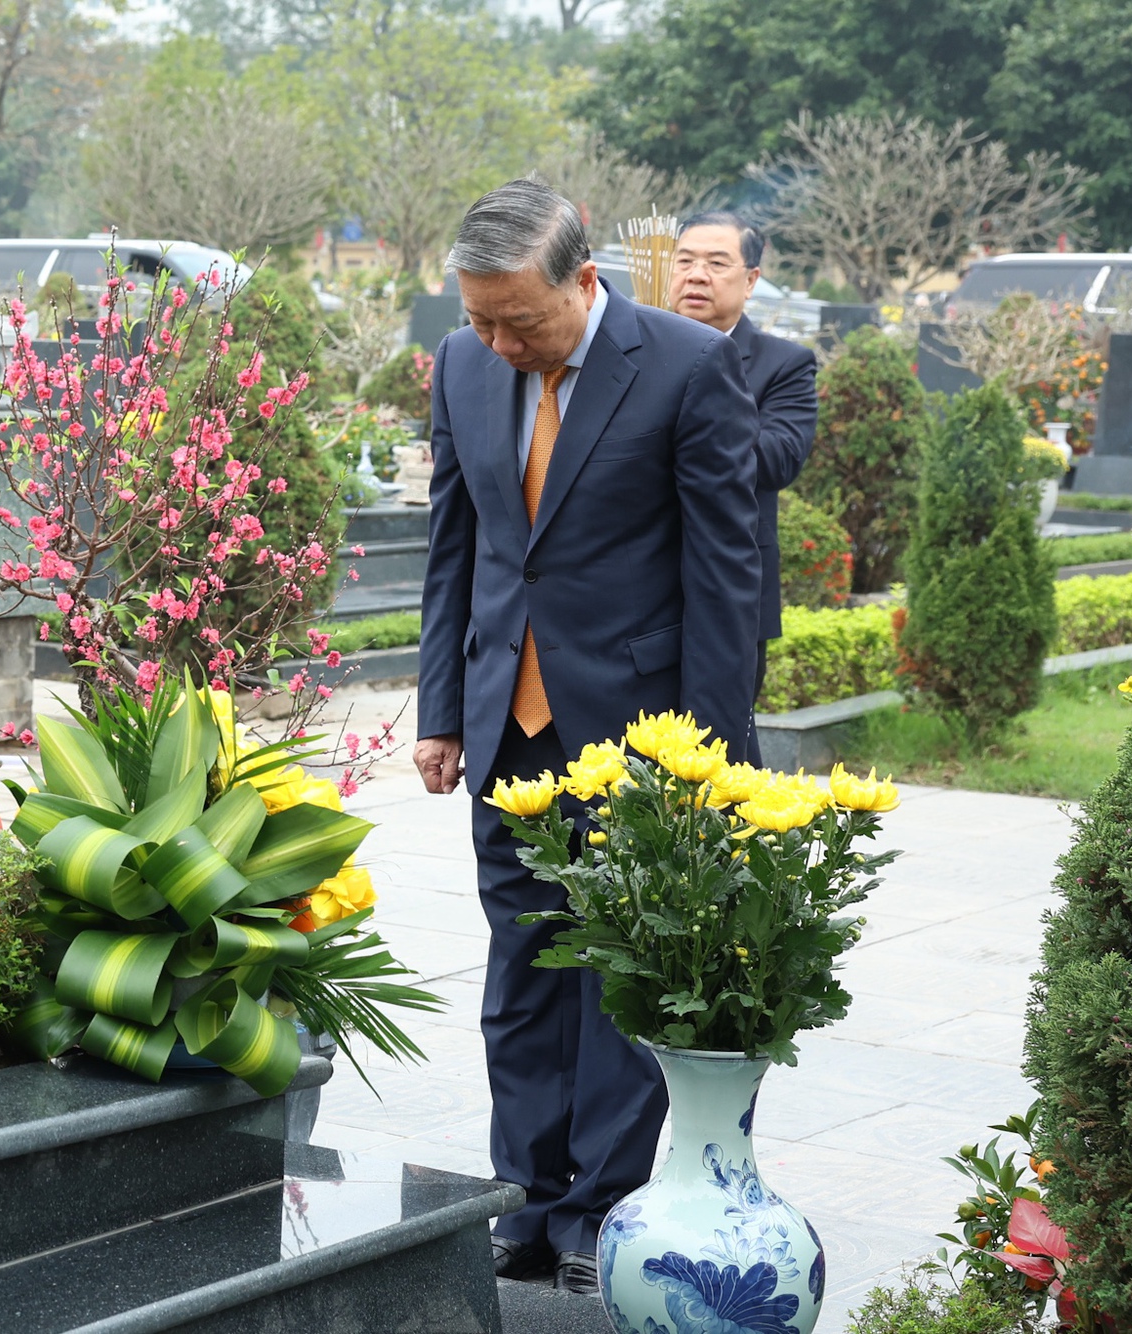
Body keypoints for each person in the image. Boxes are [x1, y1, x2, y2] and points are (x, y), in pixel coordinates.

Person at [414, 179, 760, 1295]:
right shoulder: (462, 363)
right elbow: (454, 547)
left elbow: (723, 574)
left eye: (520, 318)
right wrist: (436, 711)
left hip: (637, 726)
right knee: (518, 964)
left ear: (583, 280)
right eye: (478, 318)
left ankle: (593, 1208)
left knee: (617, 968)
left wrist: (705, 758)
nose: (498, 340)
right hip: (504, 728)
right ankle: (521, 1195)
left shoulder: (683, 366)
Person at [668, 210, 819, 749]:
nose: (696, 275)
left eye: (716, 263)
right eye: (684, 261)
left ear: (751, 279)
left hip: (730, 594)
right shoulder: (635, 355)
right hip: (635, 585)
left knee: (717, 756)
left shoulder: (784, 364)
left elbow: (779, 458)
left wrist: (685, 426)